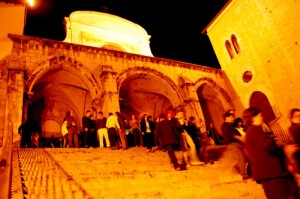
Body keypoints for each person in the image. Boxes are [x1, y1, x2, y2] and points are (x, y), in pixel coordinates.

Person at [243, 107, 298, 199]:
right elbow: (269, 147)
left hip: (269, 174)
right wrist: (285, 149)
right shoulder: (255, 130)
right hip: (273, 174)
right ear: (253, 117)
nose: (262, 117)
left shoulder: (250, 132)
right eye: (260, 115)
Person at [221, 109, 248, 179]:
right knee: (241, 158)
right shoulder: (225, 125)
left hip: (239, 143)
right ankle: (243, 174)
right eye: (231, 117)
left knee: (245, 157)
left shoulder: (232, 125)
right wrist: (241, 138)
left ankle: (236, 169)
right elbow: (232, 135)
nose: (233, 118)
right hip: (233, 144)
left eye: (233, 116)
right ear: (226, 117)